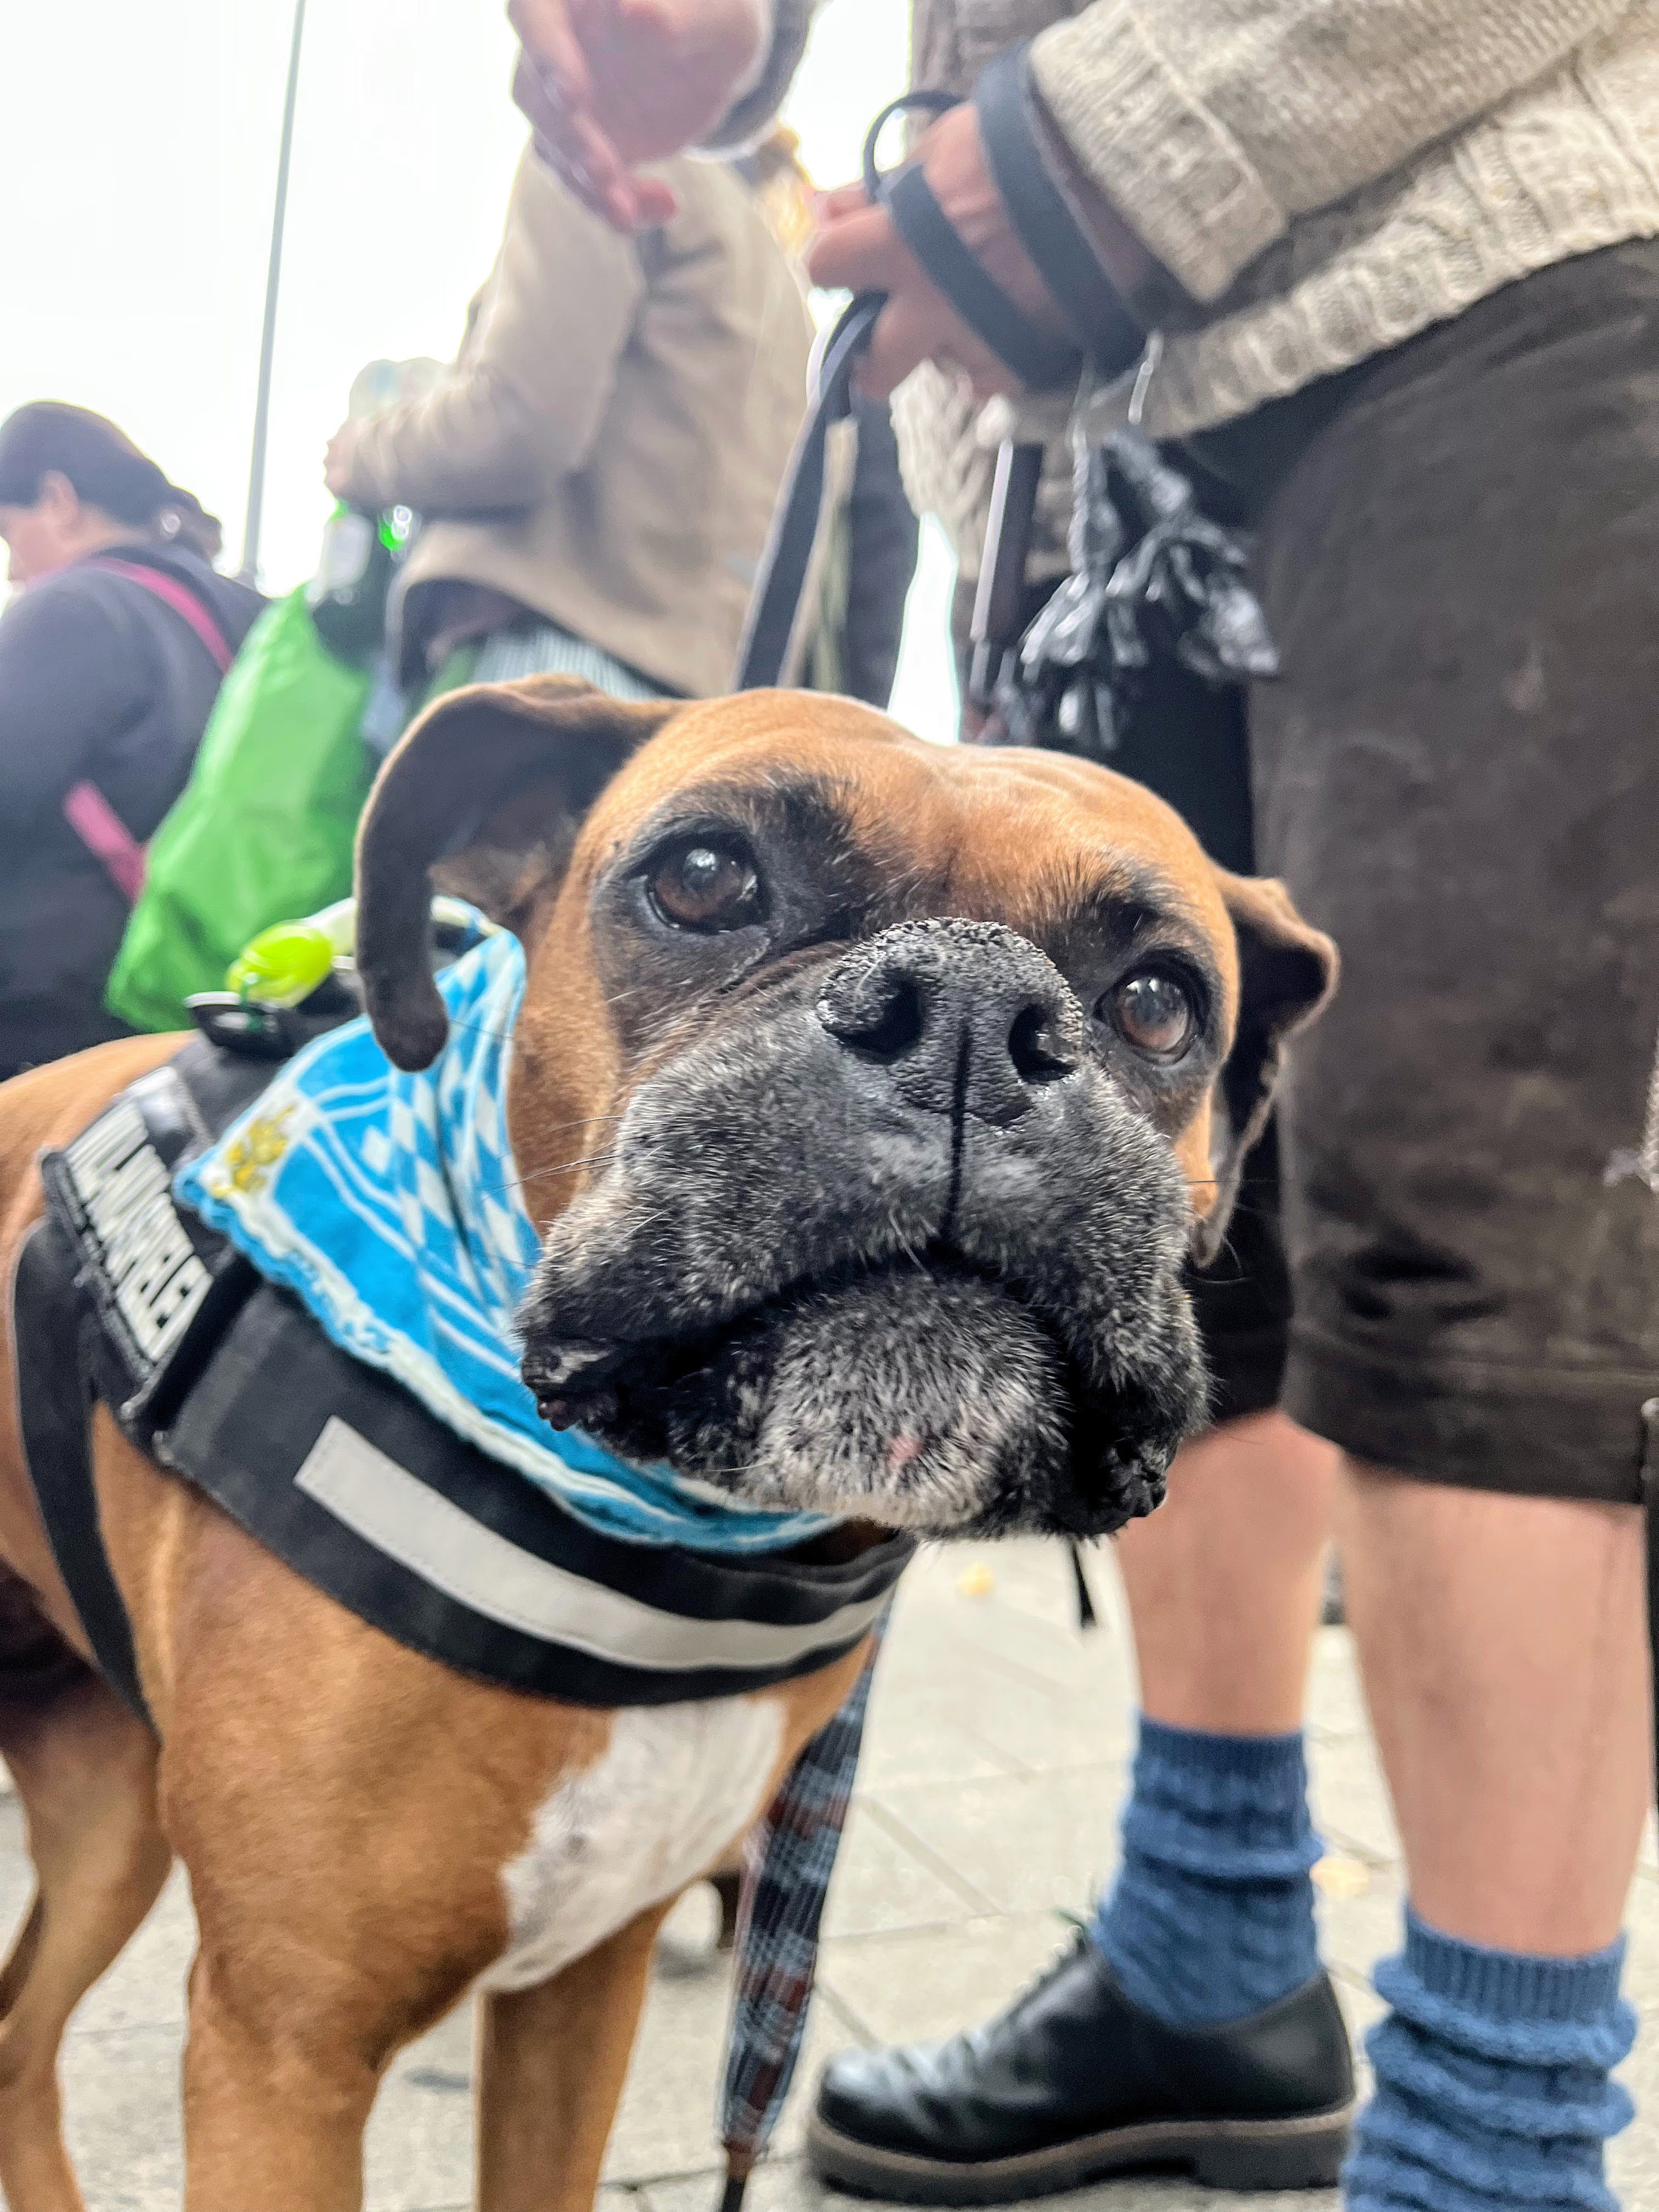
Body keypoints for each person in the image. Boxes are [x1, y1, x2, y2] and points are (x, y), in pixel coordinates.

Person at [505, 7, 1659, 2210]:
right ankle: (1210, 1941)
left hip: (1487, 276)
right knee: (1156, 1189)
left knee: (1476, 1238)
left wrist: (1062, 173)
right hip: (1052, 396)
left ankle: (1500, 2142)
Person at [321, 133, 815, 708]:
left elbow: (519, 424)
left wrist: (365, 456)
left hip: (546, 664)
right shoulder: (786, 291)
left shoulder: (603, 152)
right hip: (697, 717)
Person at [0, 403, 264, 1080]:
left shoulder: (75, 608)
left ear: (58, 501)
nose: (11, 571)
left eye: (8, 535)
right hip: (199, 1022)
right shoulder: (249, 616)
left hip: (51, 1027)